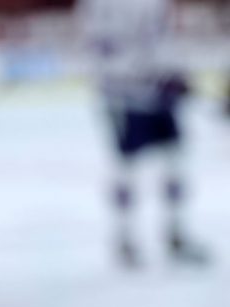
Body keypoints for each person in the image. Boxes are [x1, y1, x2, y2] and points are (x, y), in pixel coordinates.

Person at [77, 0, 205, 267]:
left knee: (174, 161)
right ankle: (126, 239)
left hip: (156, 95)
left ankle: (175, 233)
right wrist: (149, 75)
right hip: (126, 97)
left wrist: (175, 72)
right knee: (127, 168)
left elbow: (162, 40)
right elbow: (104, 47)